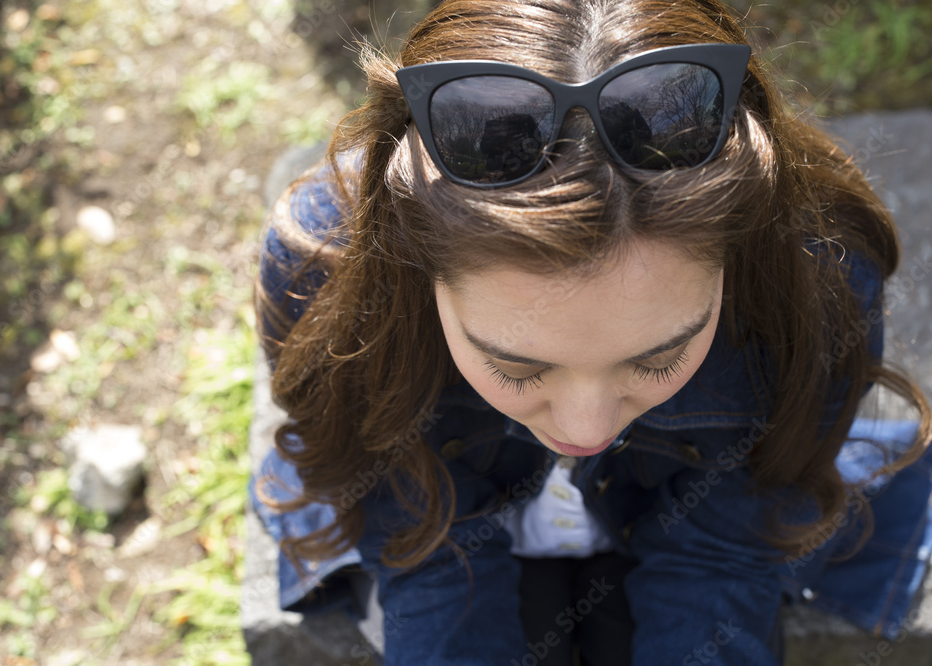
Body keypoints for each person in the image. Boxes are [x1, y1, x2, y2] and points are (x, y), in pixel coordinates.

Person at [250, 1, 932, 664]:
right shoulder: (323, 275)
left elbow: (723, 552)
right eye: (517, 368)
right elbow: (422, 549)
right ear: (412, 265)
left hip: (670, 517)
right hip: (444, 525)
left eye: (659, 357)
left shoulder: (820, 282)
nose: (586, 424)